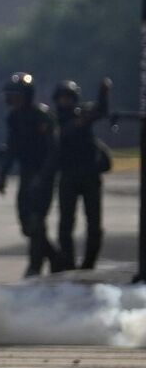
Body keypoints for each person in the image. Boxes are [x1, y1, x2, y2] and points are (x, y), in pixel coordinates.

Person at [0, 72, 67, 277]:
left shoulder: (42, 117)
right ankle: (54, 257)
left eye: (15, 94)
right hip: (26, 174)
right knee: (26, 224)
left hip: (43, 174)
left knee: (37, 220)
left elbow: (53, 150)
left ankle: (35, 266)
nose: (11, 99)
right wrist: (3, 175)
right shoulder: (14, 118)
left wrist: (43, 177)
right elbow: (12, 148)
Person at [53, 78, 112, 269]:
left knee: (94, 223)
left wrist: (103, 92)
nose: (65, 102)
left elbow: (101, 110)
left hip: (89, 176)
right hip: (68, 176)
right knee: (66, 224)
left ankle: (89, 262)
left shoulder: (84, 114)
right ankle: (68, 261)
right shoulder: (55, 121)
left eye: (68, 98)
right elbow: (63, 134)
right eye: (62, 99)